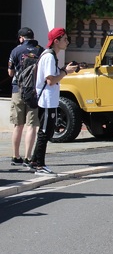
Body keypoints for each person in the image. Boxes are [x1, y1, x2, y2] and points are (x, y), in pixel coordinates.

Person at [30, 28, 79, 174]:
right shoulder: (49, 56)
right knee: (45, 132)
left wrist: (64, 69)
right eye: (65, 39)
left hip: (49, 100)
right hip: (46, 100)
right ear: (56, 41)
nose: (67, 42)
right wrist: (65, 72)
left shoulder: (50, 55)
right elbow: (50, 80)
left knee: (47, 131)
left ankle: (34, 161)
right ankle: (39, 165)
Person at [7, 27, 44, 166]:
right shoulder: (40, 51)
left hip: (18, 90)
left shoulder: (16, 50)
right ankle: (28, 158)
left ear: (21, 38)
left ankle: (16, 156)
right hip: (33, 92)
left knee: (18, 125)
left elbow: (10, 72)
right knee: (32, 126)